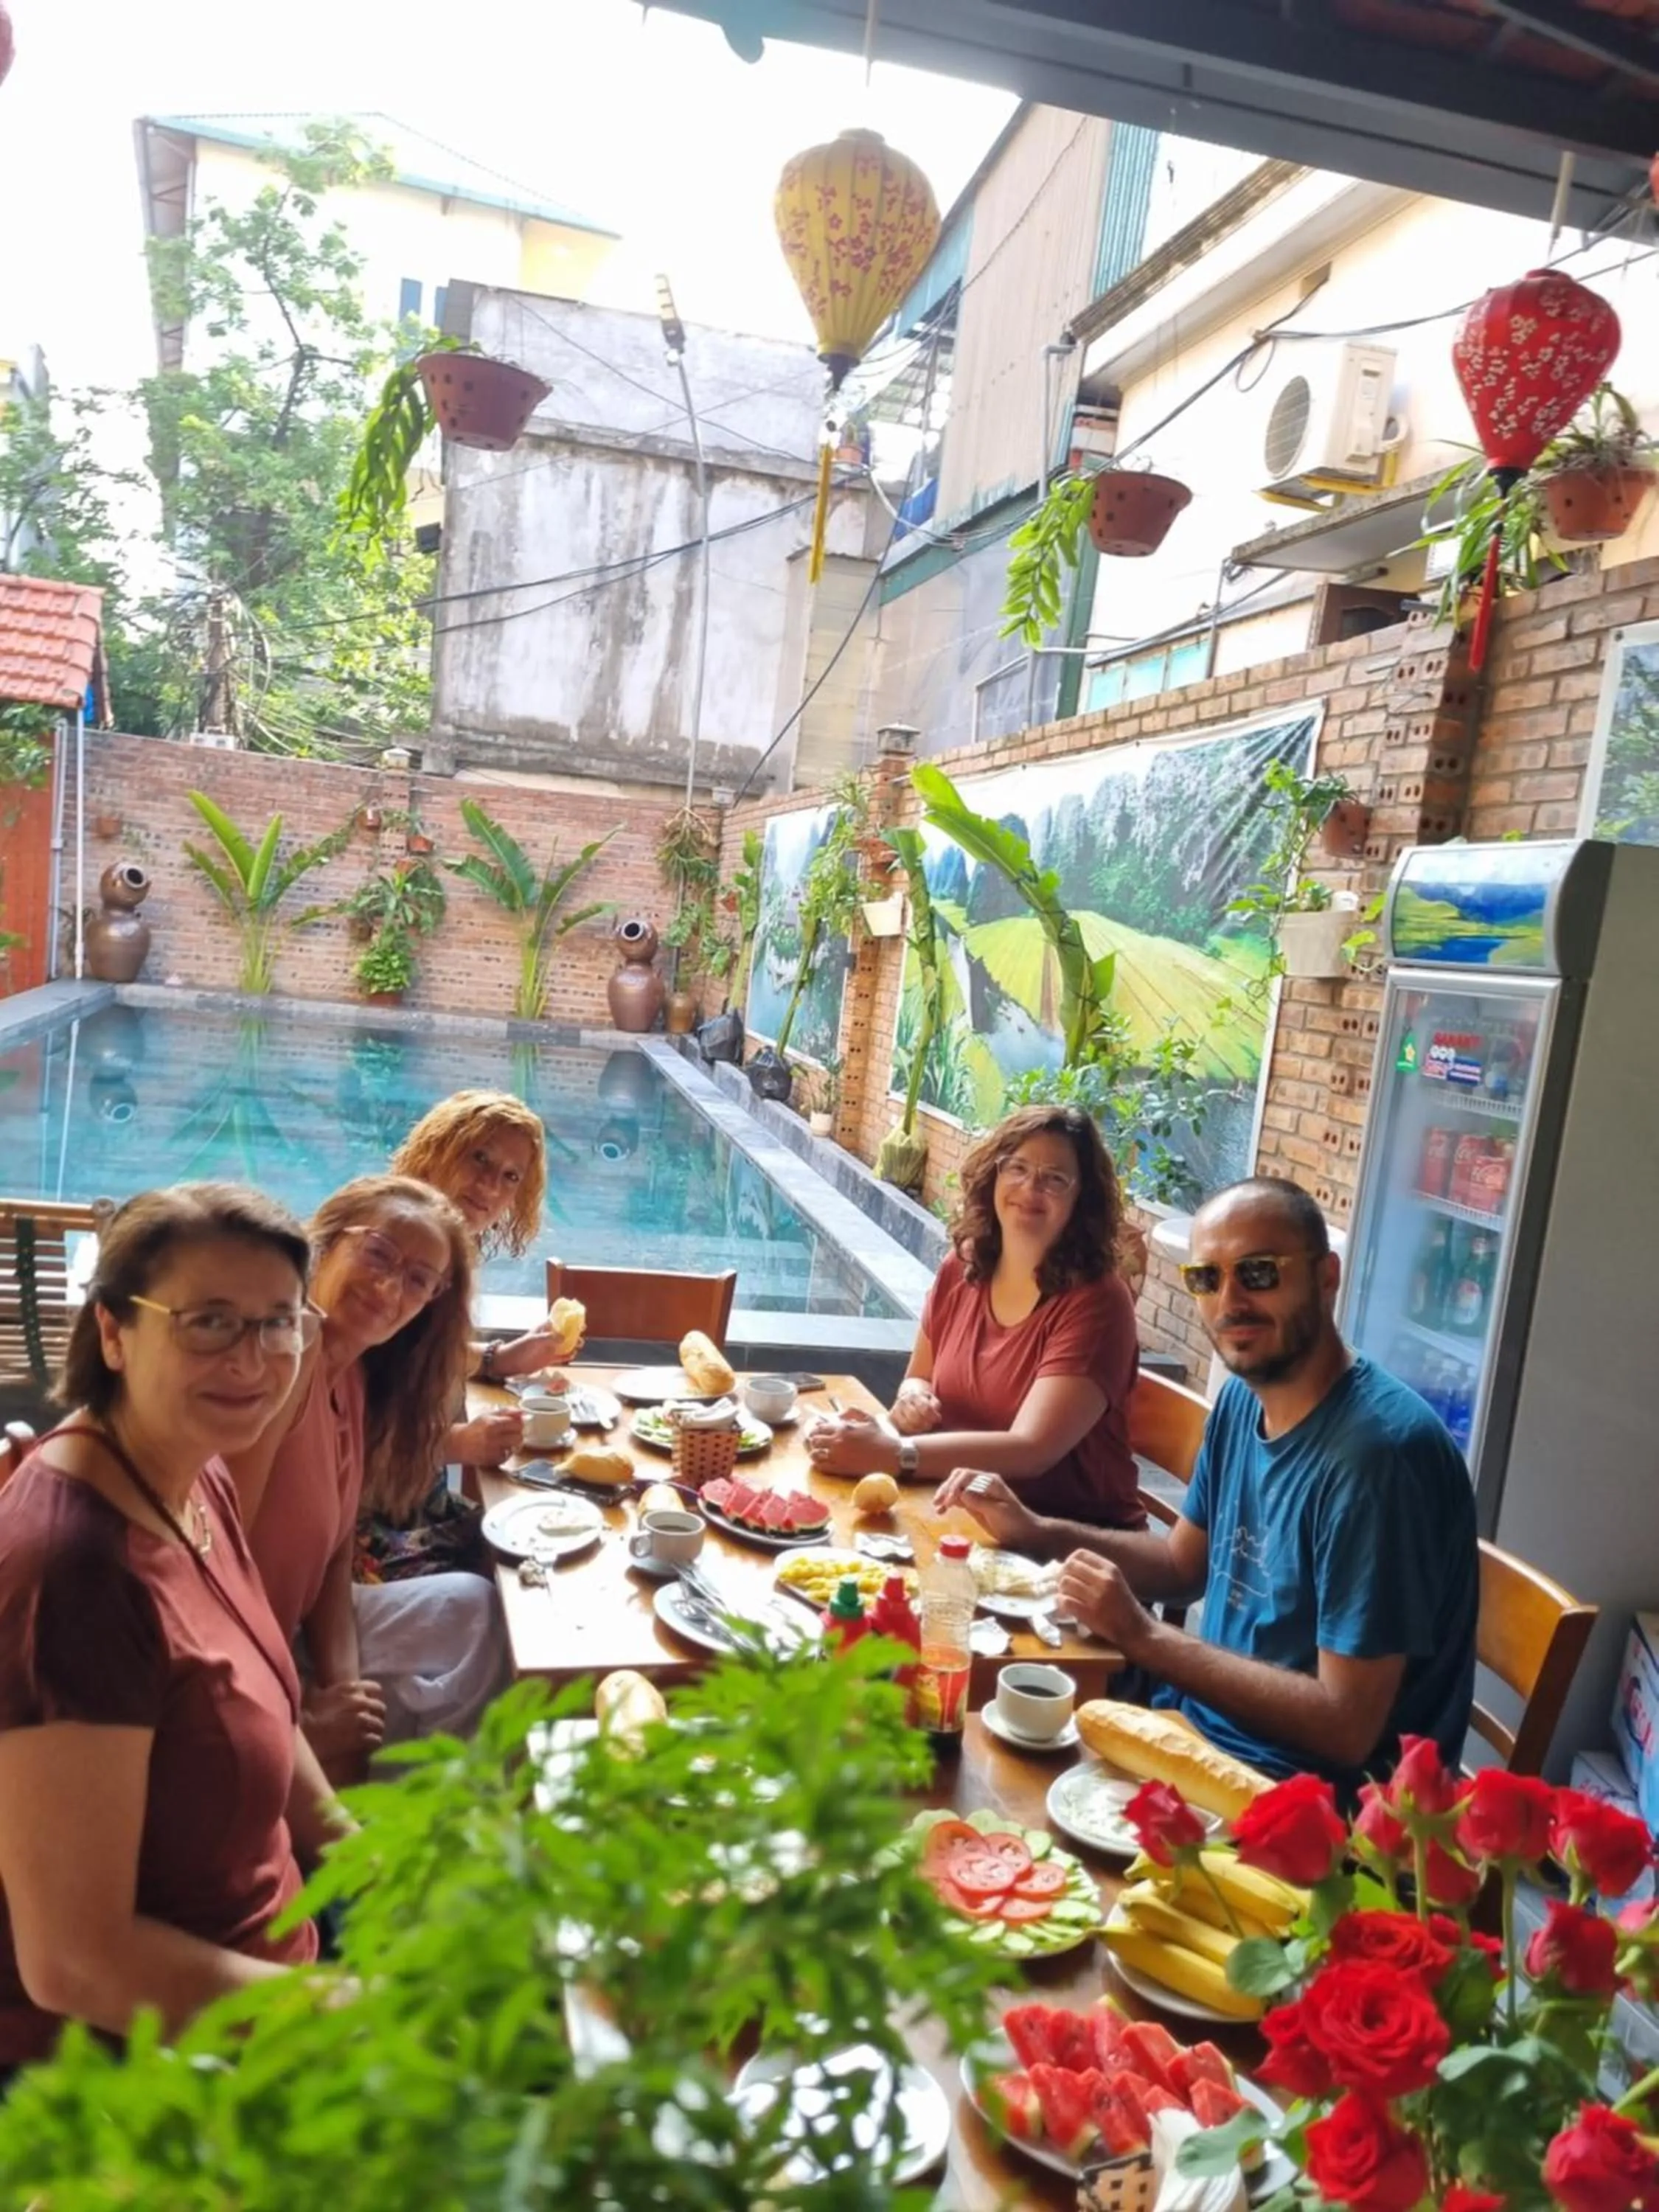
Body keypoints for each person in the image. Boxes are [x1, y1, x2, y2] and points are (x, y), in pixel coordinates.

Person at [936, 1175, 1479, 1795]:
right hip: (1196, 1738)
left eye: (1260, 1273)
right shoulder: (1243, 1404)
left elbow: (1346, 1727)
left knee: (979, 1798)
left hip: (1314, 1813)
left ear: (1326, 1277)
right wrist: (1035, 1533)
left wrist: (1141, 1635)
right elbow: (1179, 1566)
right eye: (1207, 1278)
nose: (1230, 1301)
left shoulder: (1378, 1459)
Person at [0, 1183, 344, 2067]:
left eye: (279, 1322)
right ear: (114, 1333)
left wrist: (353, 1848)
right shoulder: (73, 1575)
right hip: (159, 2059)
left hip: (282, 1957)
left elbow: (255, 1695)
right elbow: (76, 1962)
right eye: (209, 1322)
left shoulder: (191, 1469)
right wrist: (351, 2010)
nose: (255, 1359)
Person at [229, 1175, 503, 1780]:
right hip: (229, 1655)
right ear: (326, 1242)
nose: (389, 1287)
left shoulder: (351, 1376)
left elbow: (334, 1559)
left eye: (417, 1280)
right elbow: (210, 1574)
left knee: (477, 1611)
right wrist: (296, 1722)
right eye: (379, 1253)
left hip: (297, 1631)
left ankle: (429, 1818)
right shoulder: (289, 1355)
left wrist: (343, 1688)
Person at [808, 1105, 1144, 1527]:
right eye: (1017, 1168)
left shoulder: (1097, 1303)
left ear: (1082, 1199)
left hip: (1062, 1542)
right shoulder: (964, 1266)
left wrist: (896, 1453)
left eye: (1054, 1179)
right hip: (953, 1507)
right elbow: (920, 1375)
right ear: (994, 1176)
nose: (1029, 1188)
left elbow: (1032, 1449)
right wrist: (913, 1399)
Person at [389, 1090, 568, 1484]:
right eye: (479, 1157)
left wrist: (498, 1359)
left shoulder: (444, 1253)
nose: (489, 1186)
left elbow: (410, 1357)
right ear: (437, 1150)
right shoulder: (396, 1257)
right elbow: (343, 1433)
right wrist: (456, 1444)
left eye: (511, 1176)